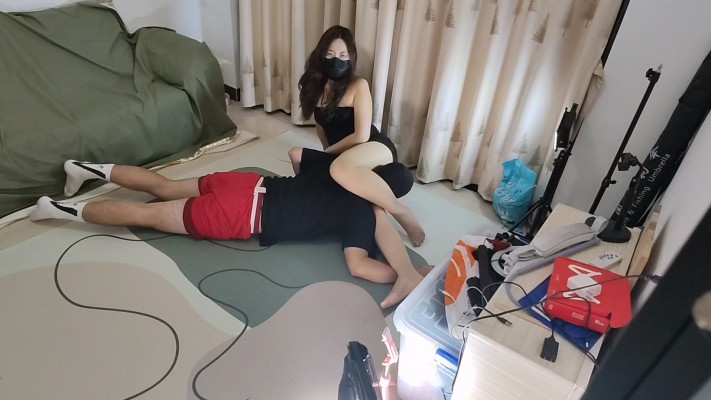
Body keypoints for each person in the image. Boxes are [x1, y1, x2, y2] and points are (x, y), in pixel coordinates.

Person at [29, 158, 428, 308]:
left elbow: (296, 156)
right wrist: (407, 275)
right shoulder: (360, 211)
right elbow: (359, 266)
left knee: (165, 187)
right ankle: (55, 209)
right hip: (240, 214)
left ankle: (82, 167)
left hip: (246, 184)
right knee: (146, 214)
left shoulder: (341, 168)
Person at [289, 25, 426, 247]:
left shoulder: (358, 85)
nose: (336, 60)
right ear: (321, 55)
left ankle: (400, 211)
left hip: (373, 146)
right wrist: (325, 154)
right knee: (296, 155)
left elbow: (361, 135)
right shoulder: (314, 86)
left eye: (343, 56)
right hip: (345, 157)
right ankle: (362, 196)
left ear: (351, 59)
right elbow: (321, 126)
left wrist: (329, 154)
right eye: (330, 54)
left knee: (337, 169)